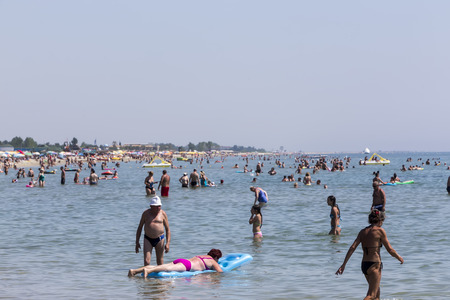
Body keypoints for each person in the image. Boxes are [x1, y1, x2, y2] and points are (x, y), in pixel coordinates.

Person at [336, 210, 403, 300]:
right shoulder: (380, 231)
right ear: (380, 220)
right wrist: (399, 258)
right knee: (371, 295)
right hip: (374, 265)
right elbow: (390, 249)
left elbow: (352, 247)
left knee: (376, 293)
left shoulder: (363, 232)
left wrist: (343, 265)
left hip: (364, 265)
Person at [128, 249, 223, 277]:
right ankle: (148, 271)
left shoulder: (202, 255)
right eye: (218, 259)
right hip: (187, 266)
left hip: (183, 260)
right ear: (215, 257)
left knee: (161, 266)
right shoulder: (213, 261)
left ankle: (134, 271)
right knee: (167, 269)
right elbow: (220, 273)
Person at [135, 196, 171, 266]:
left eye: (159, 206)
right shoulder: (146, 214)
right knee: (147, 261)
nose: (158, 208)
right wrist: (137, 242)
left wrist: (168, 243)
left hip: (160, 239)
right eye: (156, 206)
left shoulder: (163, 214)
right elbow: (140, 228)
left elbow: (168, 230)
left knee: (160, 262)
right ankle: (146, 276)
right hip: (148, 239)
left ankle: (158, 276)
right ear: (151, 206)